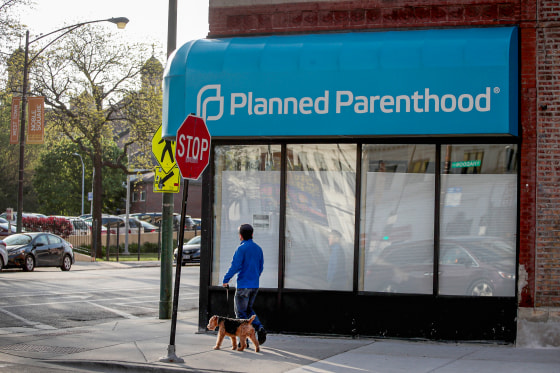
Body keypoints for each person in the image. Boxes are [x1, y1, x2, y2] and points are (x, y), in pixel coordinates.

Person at [223, 223, 267, 345]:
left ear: (240, 236)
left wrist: (226, 279)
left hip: (243, 285)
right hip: (254, 285)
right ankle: (259, 328)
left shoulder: (241, 248)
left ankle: (243, 341)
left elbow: (235, 266)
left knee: (240, 313)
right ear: (252, 234)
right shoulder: (258, 249)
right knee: (248, 310)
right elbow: (260, 267)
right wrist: (254, 278)